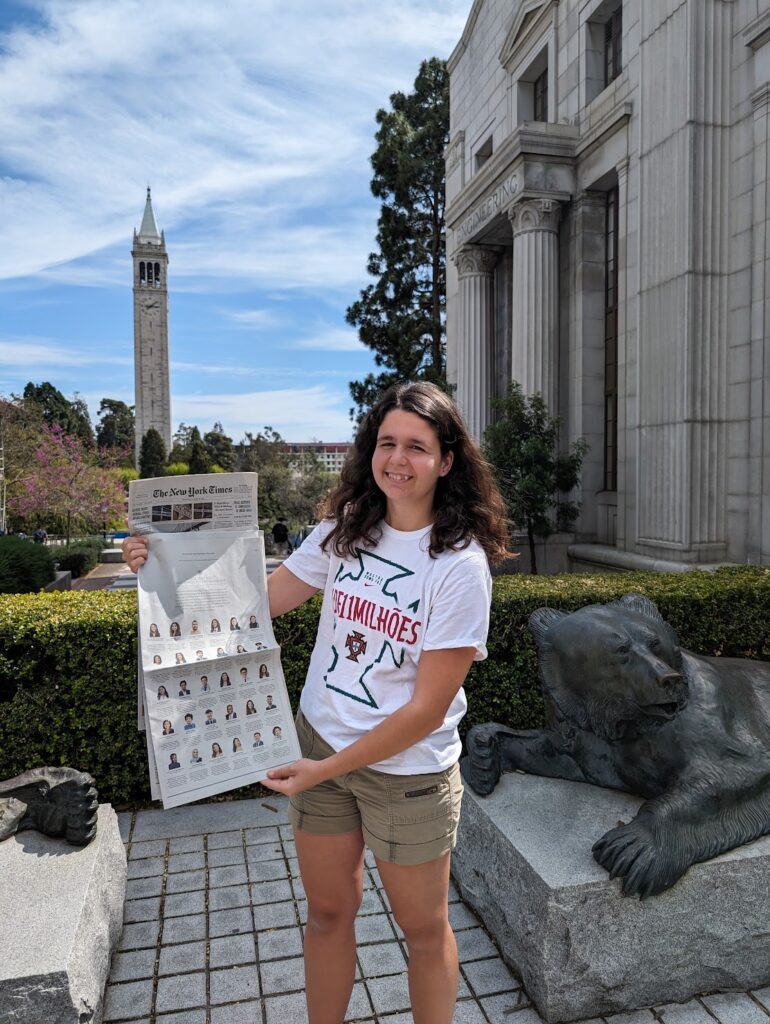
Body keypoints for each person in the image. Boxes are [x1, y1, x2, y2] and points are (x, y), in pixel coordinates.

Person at [120, 381, 508, 1024]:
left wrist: (324, 770)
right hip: (319, 745)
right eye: (387, 442)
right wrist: (157, 564)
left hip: (406, 774)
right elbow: (255, 605)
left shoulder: (458, 566)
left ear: (447, 460)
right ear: (371, 449)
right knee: (328, 913)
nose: (398, 459)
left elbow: (426, 711)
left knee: (423, 930)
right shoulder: (346, 530)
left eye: (417, 446)